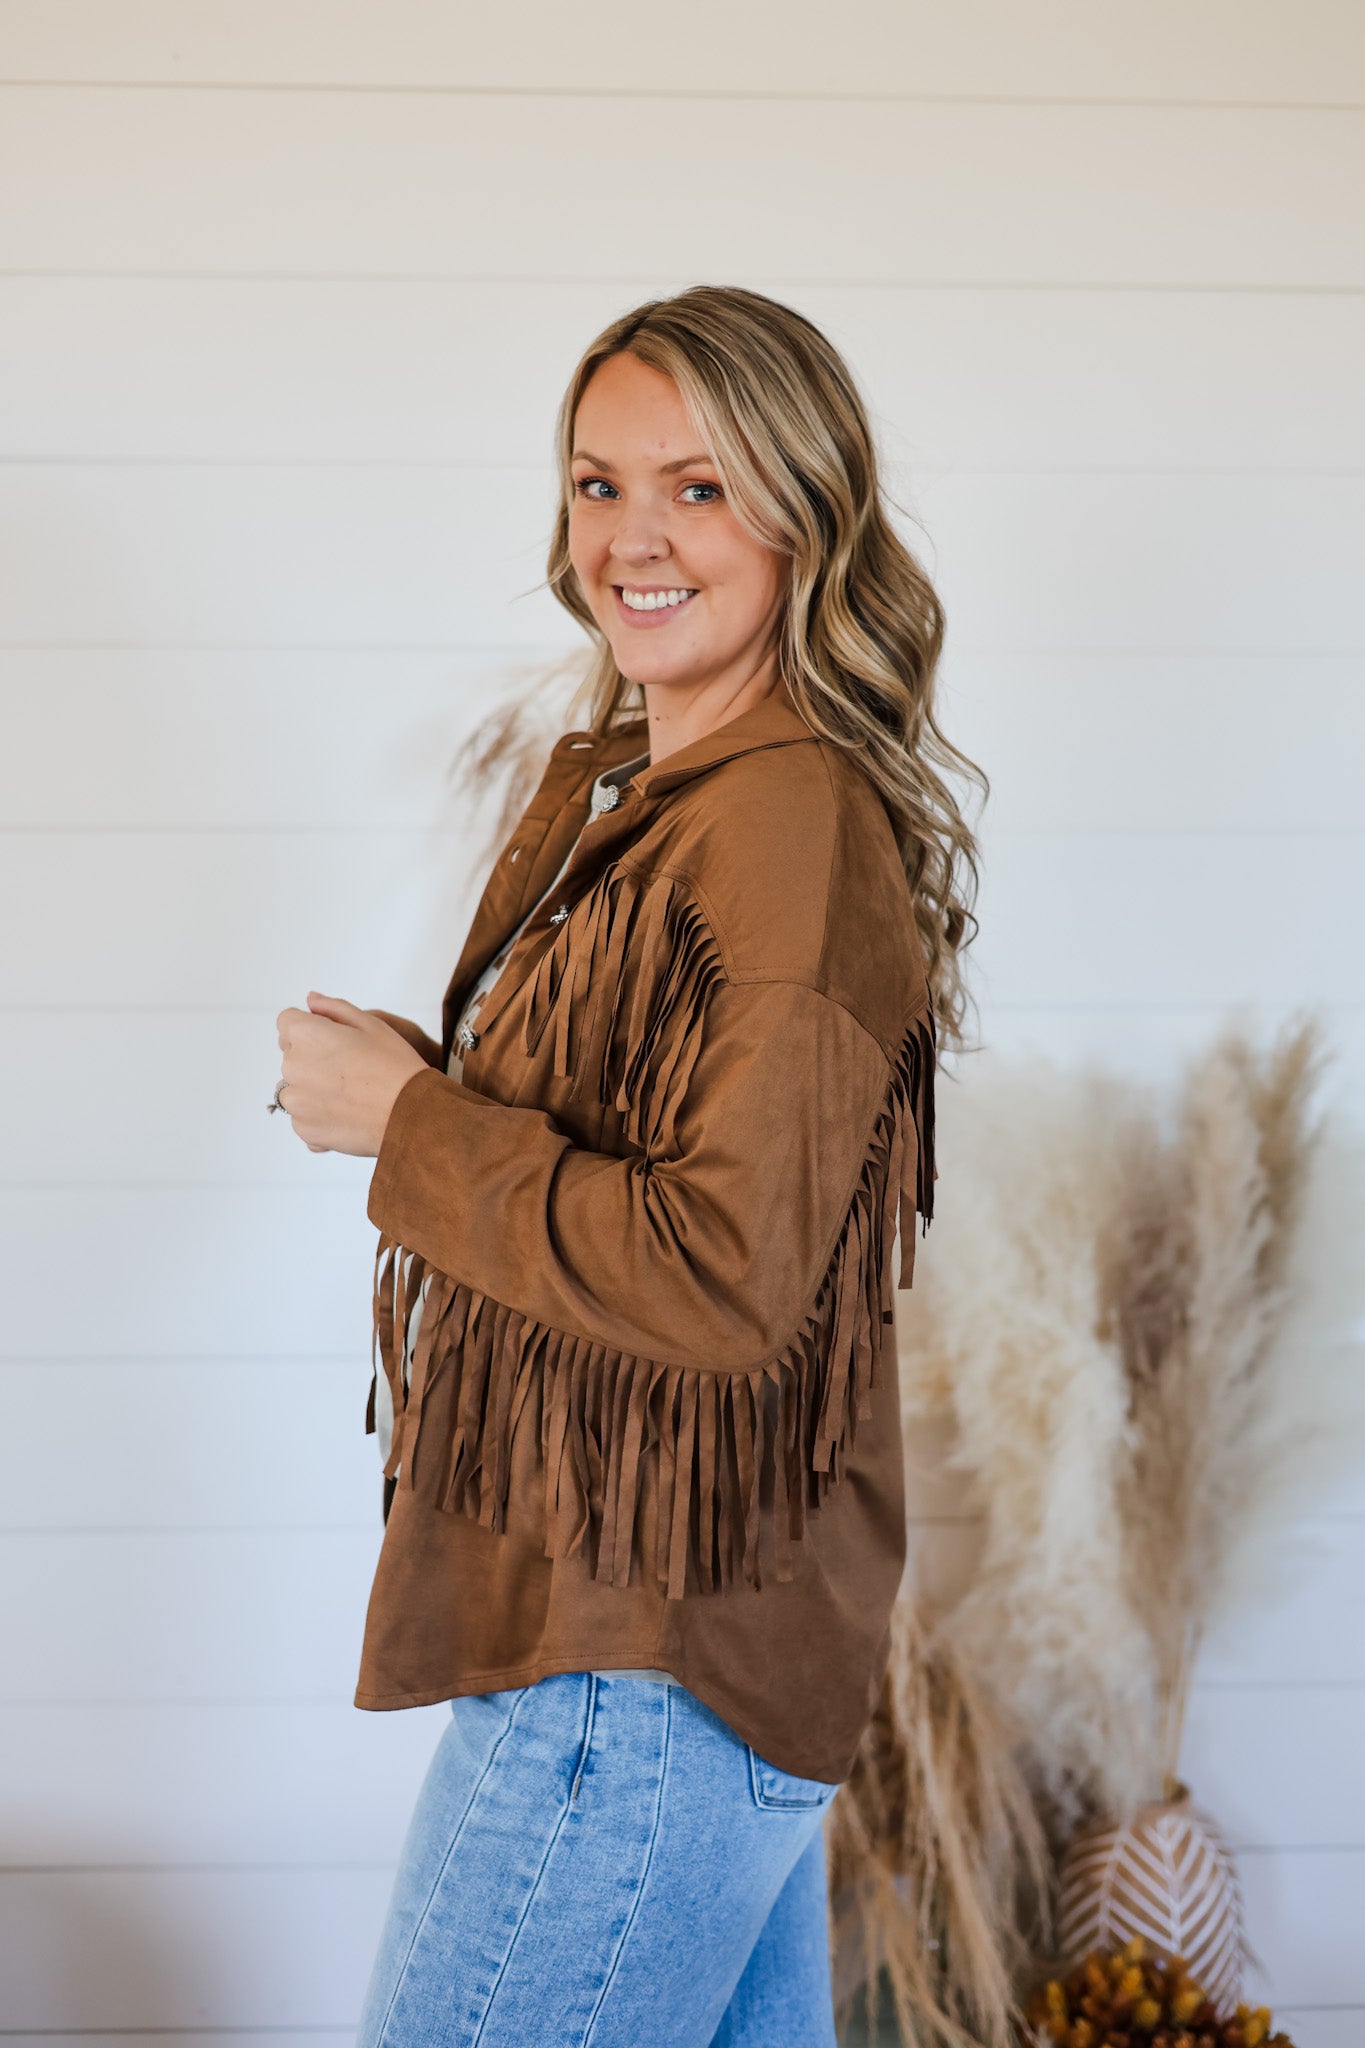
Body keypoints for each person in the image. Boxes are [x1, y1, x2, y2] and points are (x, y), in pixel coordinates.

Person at [272, 286, 982, 2048]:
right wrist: (438, 1082)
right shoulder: (680, 795)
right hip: (661, 1649)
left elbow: (726, 1271)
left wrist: (412, 1127)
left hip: (637, 1671)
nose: (631, 539)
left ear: (806, 516)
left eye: (698, 487)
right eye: (597, 484)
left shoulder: (782, 824)